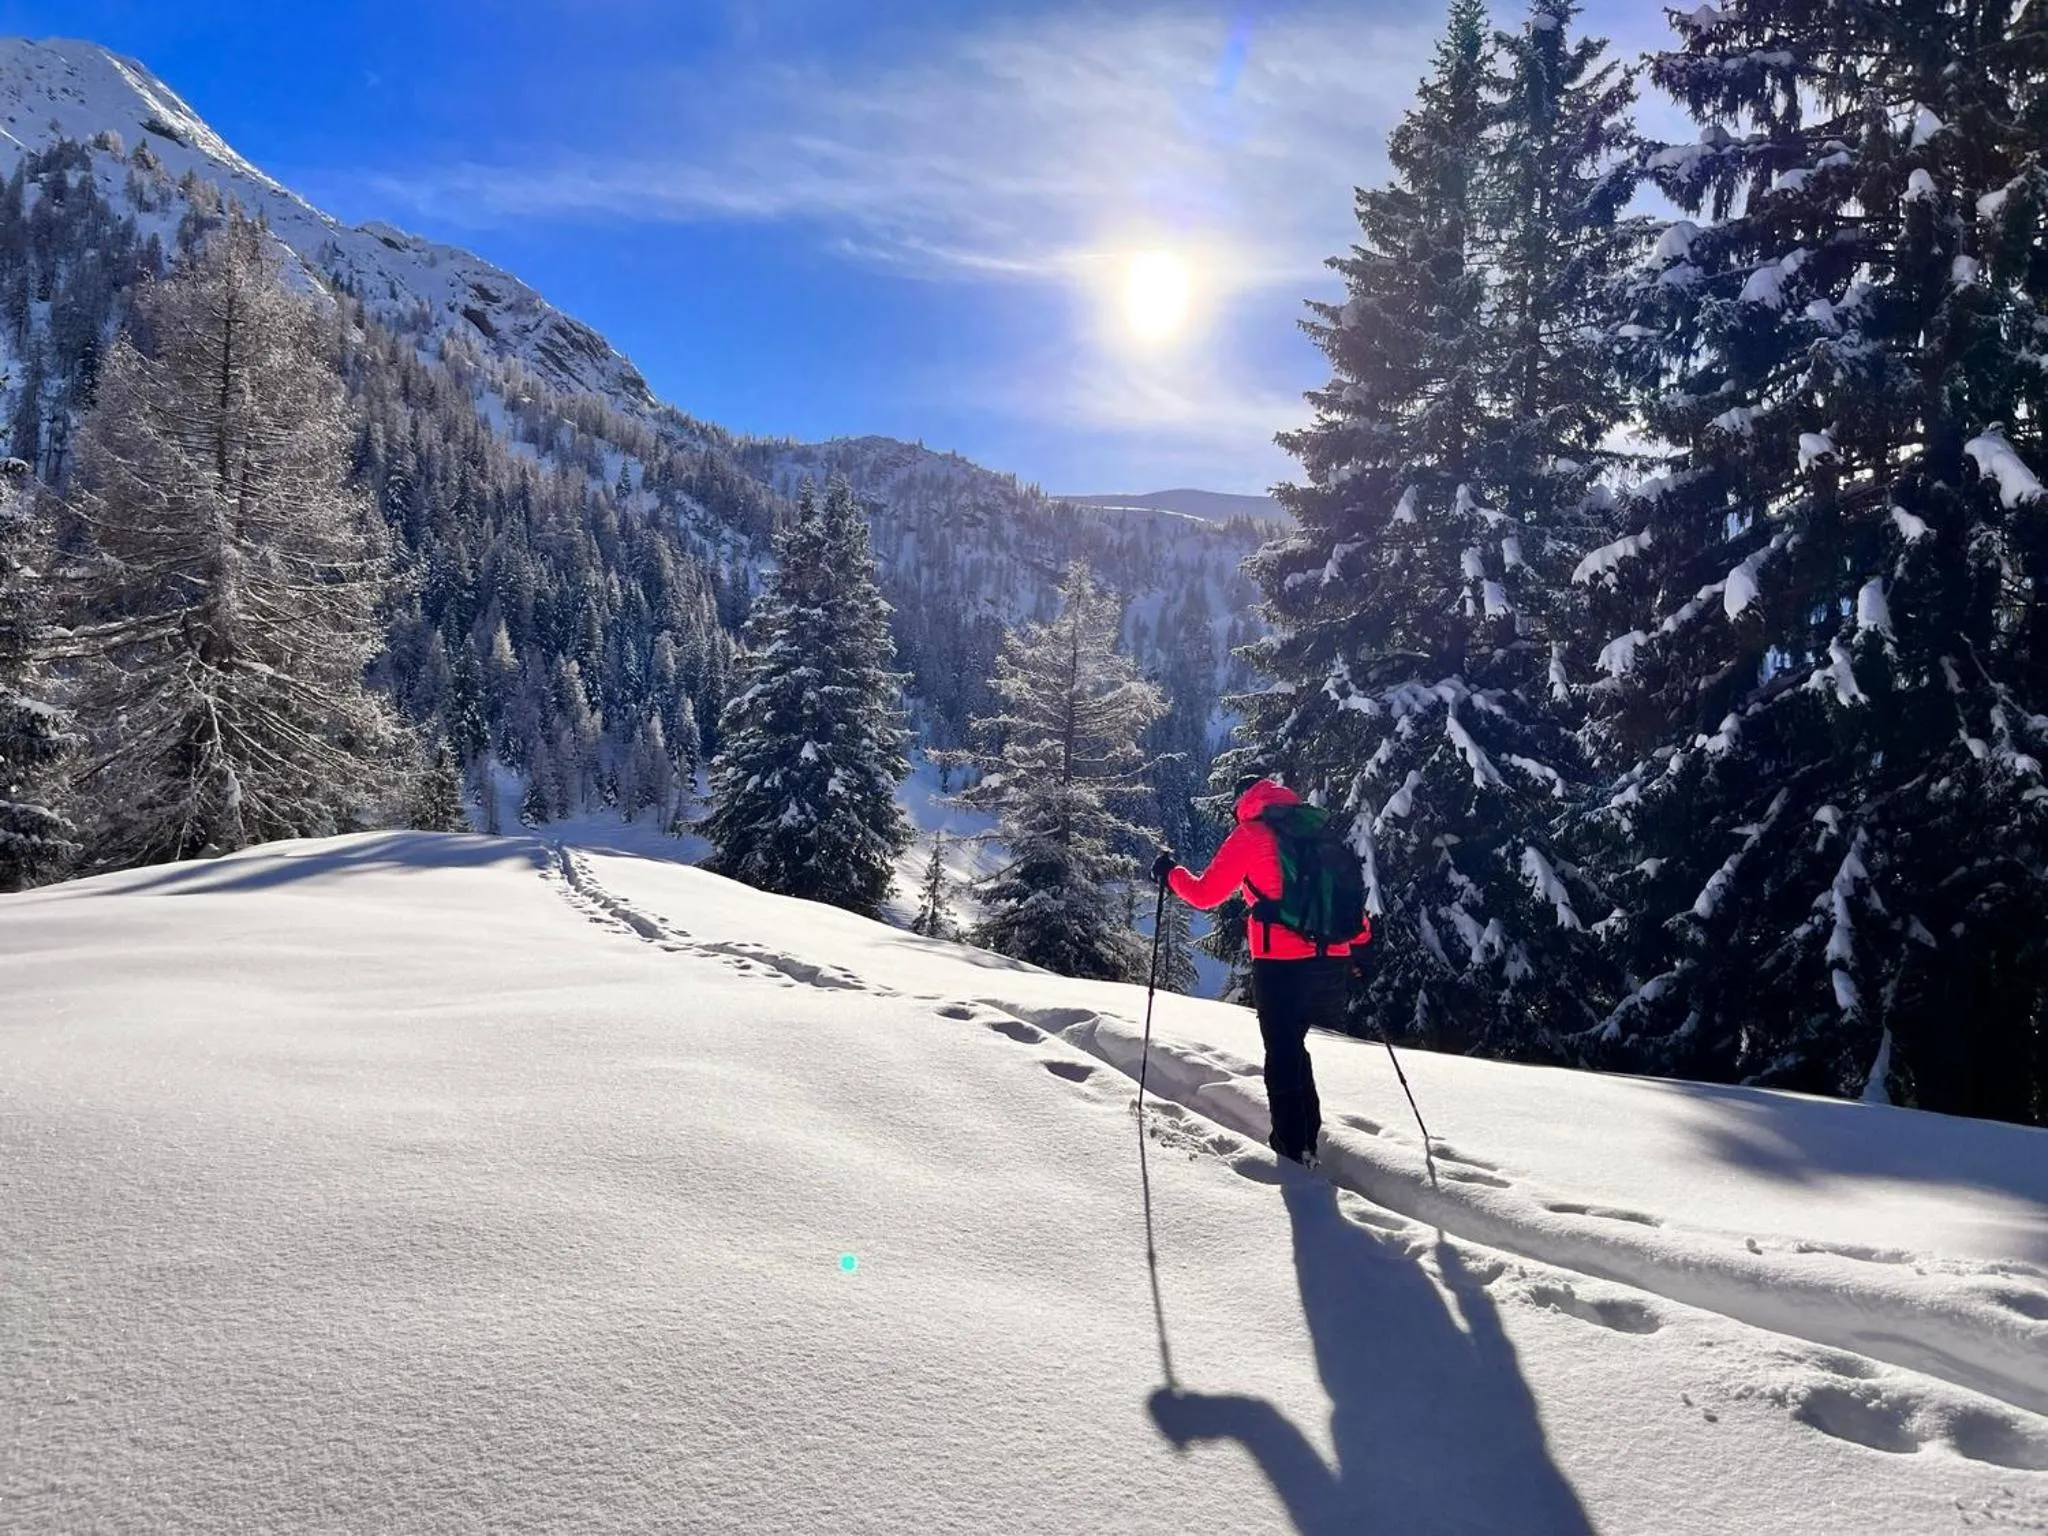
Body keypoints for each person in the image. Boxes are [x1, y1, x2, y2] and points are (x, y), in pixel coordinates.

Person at [1152, 777, 1371, 1168]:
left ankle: (1292, 1150)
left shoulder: (1251, 833)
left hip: (1282, 963)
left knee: (1282, 1051)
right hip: (1331, 960)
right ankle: (1305, 1141)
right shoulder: (1313, 831)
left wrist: (1170, 875)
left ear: (1244, 801)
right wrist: (1348, 949)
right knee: (1294, 1045)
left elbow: (1205, 895)